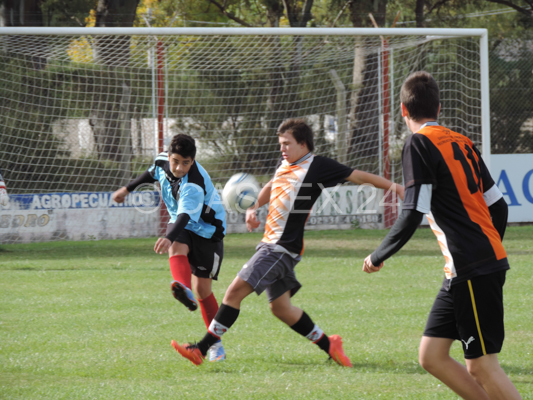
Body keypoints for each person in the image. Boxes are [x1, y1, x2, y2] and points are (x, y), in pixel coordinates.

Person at [172, 118, 404, 367]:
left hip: (280, 249)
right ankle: (330, 345)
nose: (281, 148)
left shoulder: (318, 166)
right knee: (281, 308)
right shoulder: (285, 164)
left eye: (286, 143)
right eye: (280, 143)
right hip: (272, 245)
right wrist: (254, 206)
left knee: (234, 292)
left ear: (303, 144)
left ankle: (201, 349)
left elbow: (357, 176)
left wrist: (396, 188)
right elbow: (272, 185)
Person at [362, 72, 521, 400]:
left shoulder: (418, 143)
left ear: (403, 111)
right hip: (466, 269)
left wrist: (378, 255)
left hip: (472, 268)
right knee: (432, 355)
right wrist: (487, 249)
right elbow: (499, 207)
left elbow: (413, 210)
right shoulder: (461, 141)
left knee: (481, 366)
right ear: (438, 107)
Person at [112, 134, 227, 362]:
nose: (179, 168)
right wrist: (127, 189)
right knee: (176, 247)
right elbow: (152, 173)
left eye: (186, 163)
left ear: (193, 161)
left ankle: (216, 346)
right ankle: (183, 288)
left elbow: (185, 216)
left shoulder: (193, 184)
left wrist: (168, 236)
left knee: (203, 290)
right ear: (169, 156)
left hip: (208, 232)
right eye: (175, 161)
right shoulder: (162, 160)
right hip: (184, 225)